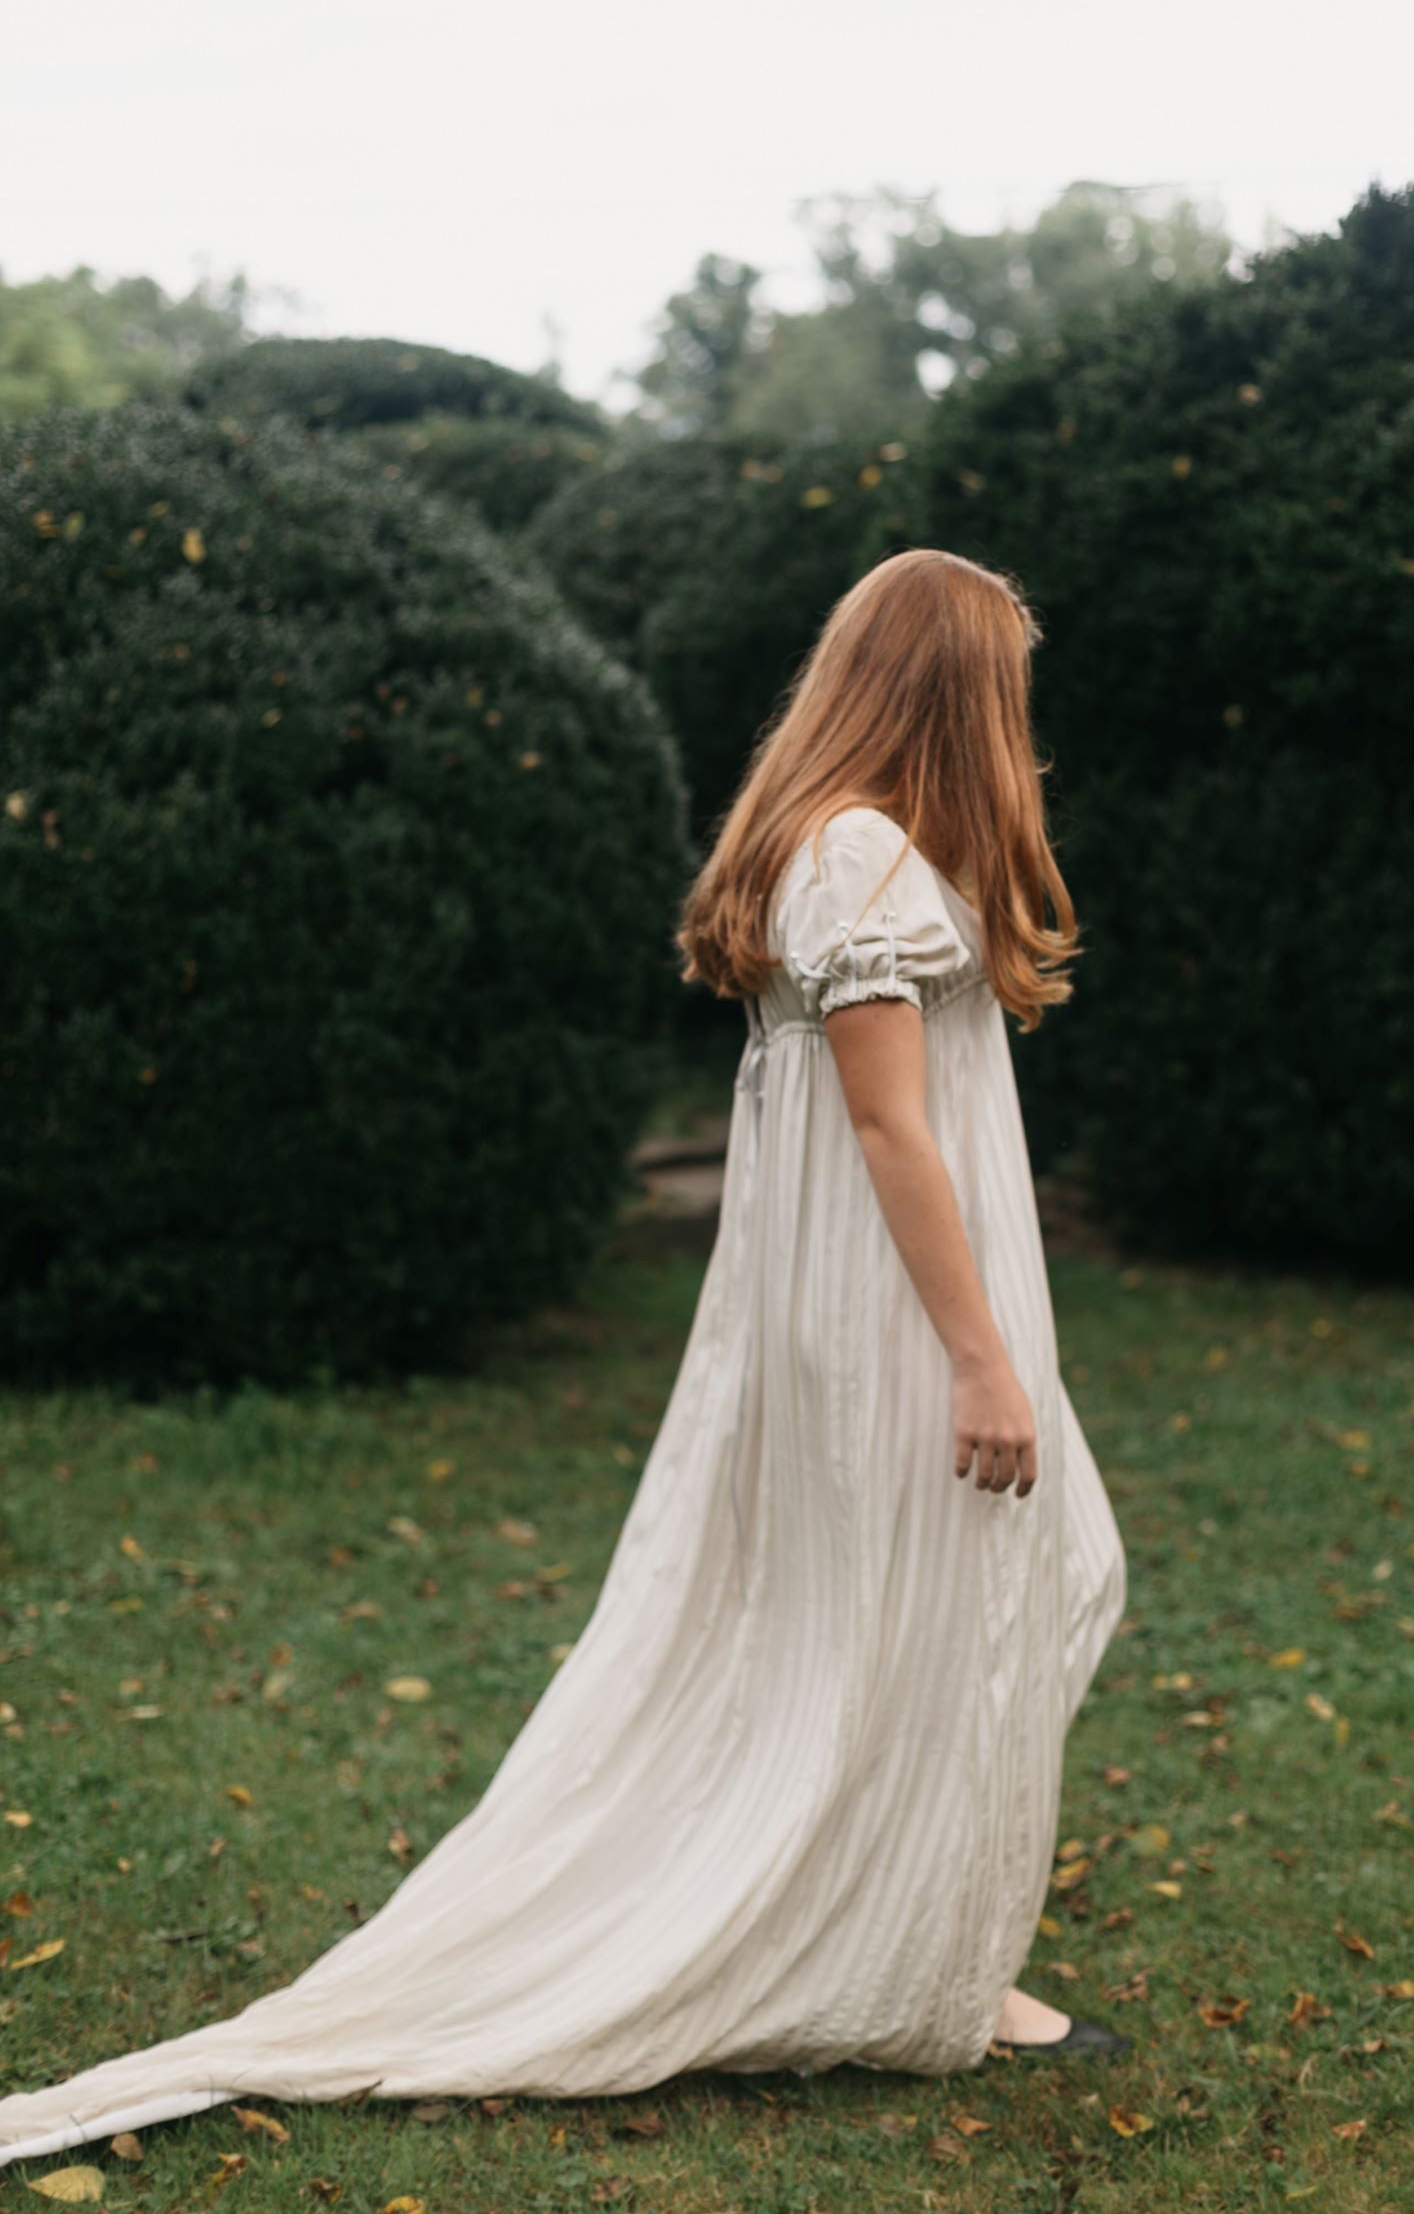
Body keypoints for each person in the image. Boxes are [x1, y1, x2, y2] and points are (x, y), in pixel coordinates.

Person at [0, 545, 1127, 2173]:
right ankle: (904, 1957)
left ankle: (933, 1942)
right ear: (948, 689)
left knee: (978, 1596)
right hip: (899, 1315)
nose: (1023, 710)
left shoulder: (854, 843)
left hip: (897, 1301)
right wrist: (981, 1356)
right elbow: (889, 1125)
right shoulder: (862, 855)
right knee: (927, 1604)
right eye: (1006, 681)